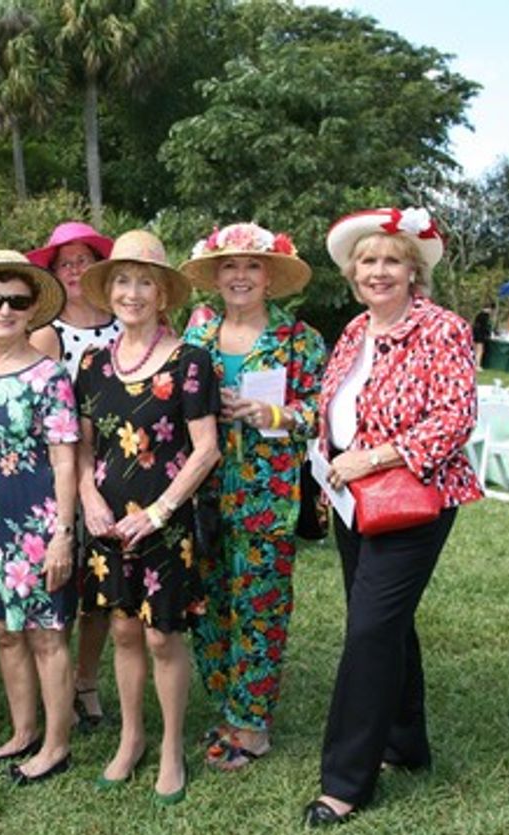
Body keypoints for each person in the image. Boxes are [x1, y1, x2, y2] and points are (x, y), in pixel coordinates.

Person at [304, 207, 481, 827]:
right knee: (384, 623)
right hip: (353, 501)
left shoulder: (442, 329)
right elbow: (335, 408)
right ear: (353, 273)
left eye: (391, 261)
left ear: (413, 272)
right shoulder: (355, 331)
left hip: (413, 498)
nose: (378, 271)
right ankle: (406, 744)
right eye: (368, 261)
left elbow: (455, 418)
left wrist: (374, 456)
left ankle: (346, 782)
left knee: (371, 631)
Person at [74, 230, 221, 804]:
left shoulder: (191, 361)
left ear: (163, 295)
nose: (132, 292)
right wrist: (88, 497)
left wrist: (159, 513)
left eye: (144, 282)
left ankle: (170, 748)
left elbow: (205, 449)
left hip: (166, 521)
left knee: (162, 636)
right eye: (122, 281)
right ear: (109, 291)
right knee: (122, 630)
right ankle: (131, 740)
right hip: (109, 522)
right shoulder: (91, 363)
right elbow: (84, 445)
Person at [180, 222, 327, 770]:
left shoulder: (300, 340)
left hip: (268, 495)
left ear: (269, 277)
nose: (240, 276)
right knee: (209, 603)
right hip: (201, 492)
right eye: (230, 267)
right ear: (216, 277)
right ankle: (227, 707)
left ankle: (253, 723)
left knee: (260, 608)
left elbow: (322, 414)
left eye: (252, 267)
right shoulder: (196, 337)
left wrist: (274, 414)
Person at [0, 251, 79, 784]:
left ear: (32, 312)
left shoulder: (50, 375)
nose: (4, 310)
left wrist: (62, 536)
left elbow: (65, 457)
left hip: (36, 524)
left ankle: (56, 744)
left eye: (17, 301)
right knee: (5, 632)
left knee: (46, 635)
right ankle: (22, 733)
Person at [25, 220, 117, 731]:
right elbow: (37, 410)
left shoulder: (122, 322)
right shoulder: (47, 332)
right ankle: (54, 687)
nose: (76, 270)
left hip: (117, 469)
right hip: (59, 471)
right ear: (54, 274)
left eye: (84, 259)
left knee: (101, 585)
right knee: (60, 582)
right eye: (66, 263)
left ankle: (87, 678)